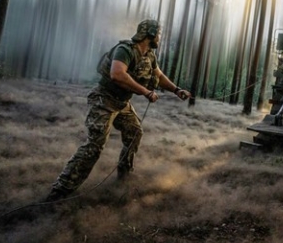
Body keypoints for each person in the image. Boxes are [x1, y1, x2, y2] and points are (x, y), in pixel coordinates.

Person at [46, 19, 191, 202]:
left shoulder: (150, 55)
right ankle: (59, 193)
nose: (160, 38)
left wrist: (177, 90)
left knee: (135, 132)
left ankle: (124, 177)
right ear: (151, 34)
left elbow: (159, 76)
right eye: (159, 34)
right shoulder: (125, 50)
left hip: (122, 104)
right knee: (94, 146)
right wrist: (146, 92)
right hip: (103, 100)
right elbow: (117, 74)